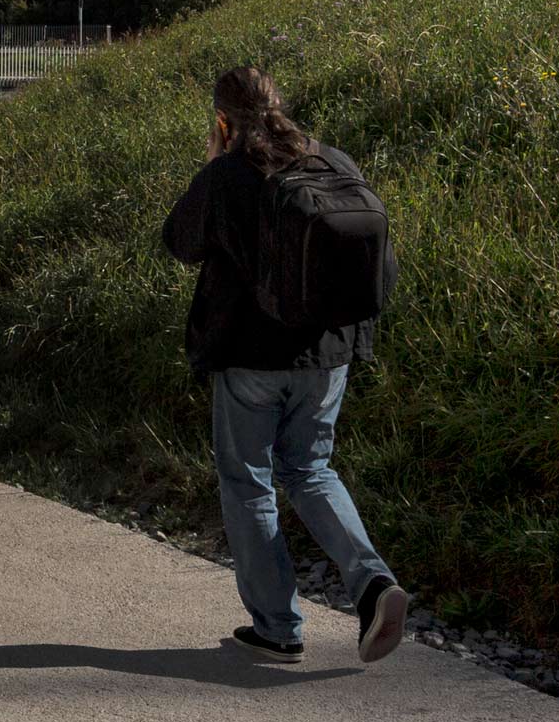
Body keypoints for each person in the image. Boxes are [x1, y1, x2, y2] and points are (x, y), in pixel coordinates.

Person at [163, 64, 411, 667]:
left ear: (223, 121)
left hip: (251, 356)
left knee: (248, 479)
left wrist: (215, 162)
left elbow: (179, 242)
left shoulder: (226, 175)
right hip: (329, 353)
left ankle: (277, 626)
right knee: (311, 469)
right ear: (280, 105)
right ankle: (374, 584)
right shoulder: (334, 161)